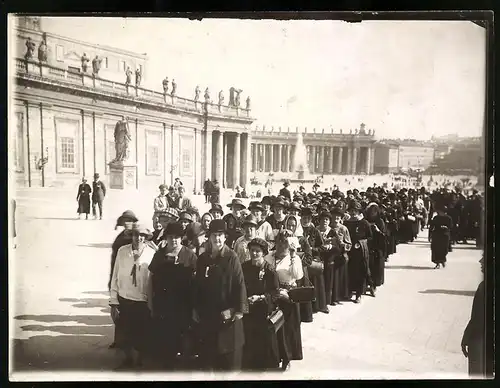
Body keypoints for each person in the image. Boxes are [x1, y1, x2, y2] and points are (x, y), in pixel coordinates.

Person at [193, 219, 248, 371]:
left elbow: (240, 284)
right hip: (208, 316)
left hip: (227, 318)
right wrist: (195, 308)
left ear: (225, 237)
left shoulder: (232, 257)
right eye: (214, 235)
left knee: (228, 365)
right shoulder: (203, 259)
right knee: (209, 363)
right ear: (209, 237)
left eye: (220, 235)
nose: (217, 239)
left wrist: (237, 309)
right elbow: (197, 286)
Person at [148, 222, 198, 369]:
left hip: (184, 306)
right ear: (166, 238)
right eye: (170, 237)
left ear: (181, 238)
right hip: (163, 305)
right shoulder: (159, 255)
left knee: (184, 338)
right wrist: (150, 302)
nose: (174, 240)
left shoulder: (190, 256)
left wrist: (195, 306)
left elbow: (197, 282)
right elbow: (150, 279)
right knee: (165, 338)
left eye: (177, 237)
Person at [109, 224, 155, 369]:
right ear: (132, 236)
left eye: (142, 236)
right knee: (125, 333)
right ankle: (128, 360)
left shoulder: (152, 253)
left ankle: (141, 361)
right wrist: (113, 301)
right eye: (136, 235)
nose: (139, 238)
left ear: (146, 238)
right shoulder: (122, 252)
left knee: (143, 333)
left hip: (143, 301)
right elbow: (115, 275)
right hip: (125, 299)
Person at [264, 230, 304, 370]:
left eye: (285, 242)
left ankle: (288, 358)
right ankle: (275, 357)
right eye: (279, 242)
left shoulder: (294, 258)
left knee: (288, 329)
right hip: (274, 294)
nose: (281, 246)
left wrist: (293, 256)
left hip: (289, 295)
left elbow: (298, 276)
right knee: (275, 327)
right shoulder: (269, 257)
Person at [241, 238, 281, 370]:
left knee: (263, 338)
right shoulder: (244, 267)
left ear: (263, 253)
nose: (254, 254)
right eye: (252, 250)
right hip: (248, 309)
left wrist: (261, 297)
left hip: (263, 309)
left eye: (258, 251)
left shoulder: (269, 270)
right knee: (249, 336)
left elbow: (275, 292)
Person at [344, 201, 374, 303]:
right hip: (349, 251)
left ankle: (359, 294)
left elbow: (370, 237)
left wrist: (361, 243)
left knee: (361, 272)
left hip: (360, 252)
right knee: (350, 272)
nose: (353, 213)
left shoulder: (364, 223)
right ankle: (349, 291)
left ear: (358, 211)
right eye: (351, 211)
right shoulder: (347, 222)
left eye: (355, 211)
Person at [461, 256, 486, 377]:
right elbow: (476, 317)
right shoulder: (483, 286)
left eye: (485, 258)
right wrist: (467, 335)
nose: (480, 261)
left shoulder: (485, 287)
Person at [300, 207, 328, 314]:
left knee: (316, 280)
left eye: (308, 218)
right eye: (304, 218)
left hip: (313, 259)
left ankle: (319, 306)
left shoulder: (315, 231)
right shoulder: (297, 230)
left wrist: (312, 249)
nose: (305, 220)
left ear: (311, 219)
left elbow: (322, 247)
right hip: (300, 259)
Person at [428, 202, 453, 269]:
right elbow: (432, 226)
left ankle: (442, 260)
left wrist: (446, 228)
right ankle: (437, 263)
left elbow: (451, 227)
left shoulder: (448, 218)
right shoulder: (436, 218)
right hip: (437, 235)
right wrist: (430, 235)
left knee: (444, 250)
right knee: (436, 249)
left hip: (445, 235)